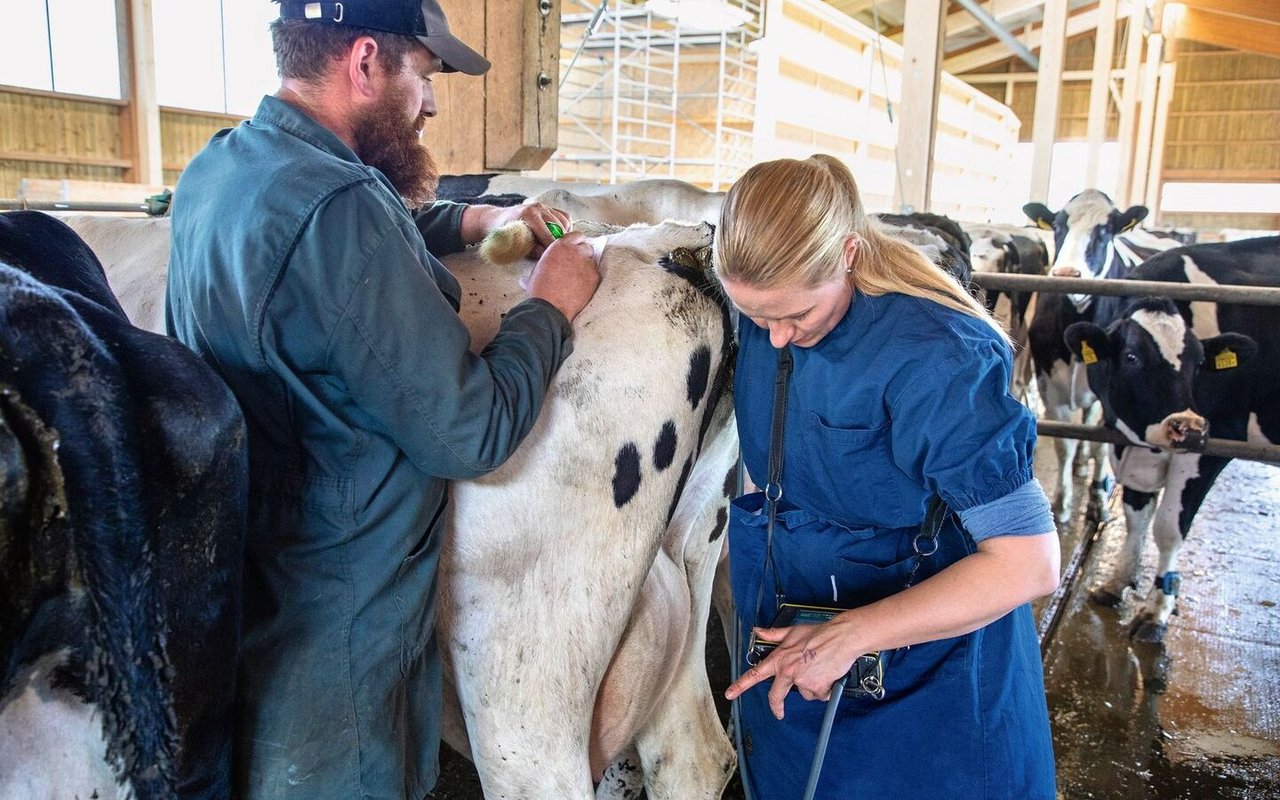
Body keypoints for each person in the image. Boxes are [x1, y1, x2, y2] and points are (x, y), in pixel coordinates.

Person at [165, 1, 600, 797]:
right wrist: (552, 306)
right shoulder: (343, 217)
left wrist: (472, 221)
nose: (430, 103)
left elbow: (334, 232)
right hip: (339, 637)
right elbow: (471, 429)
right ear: (365, 61)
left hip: (245, 590)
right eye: (424, 76)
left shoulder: (221, 168)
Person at [717, 155, 1060, 798]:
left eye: (796, 316)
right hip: (793, 626)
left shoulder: (938, 355)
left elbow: (1029, 563)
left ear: (847, 252)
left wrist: (850, 635)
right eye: (758, 319)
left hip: (926, 671)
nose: (779, 339)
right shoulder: (770, 306)